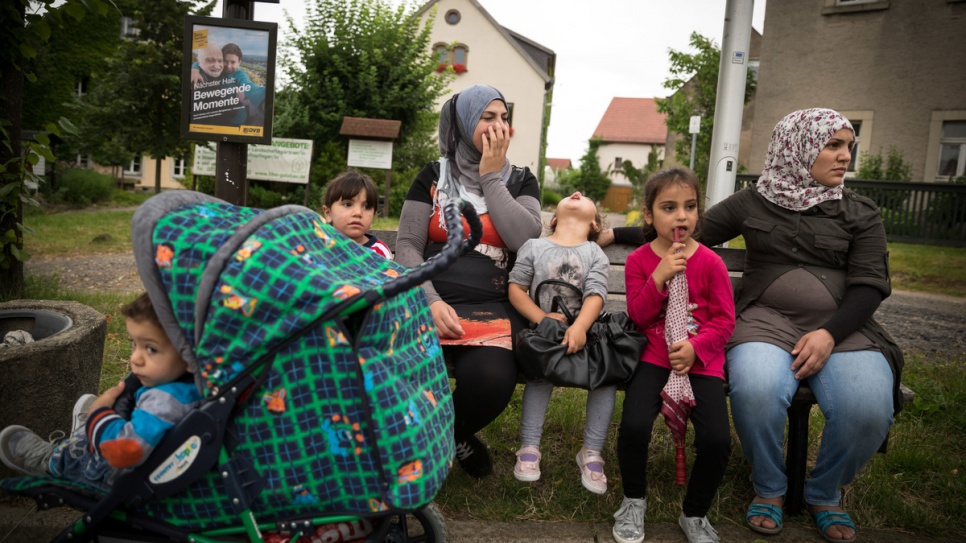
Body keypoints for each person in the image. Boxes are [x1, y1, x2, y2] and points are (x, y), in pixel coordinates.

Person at [698, 109, 902, 543]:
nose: (845, 156)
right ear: (798, 148)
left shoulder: (860, 212)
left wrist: (830, 334)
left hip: (843, 330)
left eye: (849, 145)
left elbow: (869, 287)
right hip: (764, 322)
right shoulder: (753, 199)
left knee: (868, 407)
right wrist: (609, 235)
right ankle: (769, 488)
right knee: (755, 388)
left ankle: (825, 492)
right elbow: (686, 231)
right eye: (833, 145)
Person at [395, 84, 542, 478]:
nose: (500, 127)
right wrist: (429, 298)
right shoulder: (431, 176)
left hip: (491, 306)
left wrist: (492, 178)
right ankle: (436, 441)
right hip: (429, 298)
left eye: (505, 118)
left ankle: (442, 436)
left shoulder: (522, 180)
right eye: (488, 117)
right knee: (397, 367)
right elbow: (407, 245)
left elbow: (525, 240)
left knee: (492, 381)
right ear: (461, 125)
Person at [612, 168, 735, 543]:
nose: (681, 216)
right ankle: (633, 500)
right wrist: (659, 277)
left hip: (703, 361)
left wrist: (696, 348)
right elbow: (639, 315)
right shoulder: (639, 261)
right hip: (654, 356)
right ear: (649, 215)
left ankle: (694, 513)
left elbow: (725, 321)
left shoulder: (711, 263)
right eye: (669, 207)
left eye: (690, 206)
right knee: (633, 426)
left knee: (717, 440)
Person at [0, 293, 202, 491]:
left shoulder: (163, 402)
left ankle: (51, 461)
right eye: (134, 343)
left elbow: (125, 451)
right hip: (157, 455)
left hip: (115, 475)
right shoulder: (194, 385)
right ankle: (88, 431)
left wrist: (98, 413)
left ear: (190, 357)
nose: (135, 359)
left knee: (80, 450)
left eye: (151, 349)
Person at [507, 192, 612, 494]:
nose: (577, 193)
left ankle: (591, 452)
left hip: (585, 333)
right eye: (569, 195)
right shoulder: (534, 247)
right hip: (545, 335)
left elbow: (595, 294)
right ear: (553, 219)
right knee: (541, 374)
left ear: (593, 223)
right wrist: (543, 319)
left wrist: (579, 327)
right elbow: (516, 289)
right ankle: (529, 447)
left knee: (605, 377)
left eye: (584, 197)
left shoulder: (595, 253)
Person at [322, 170, 392, 259]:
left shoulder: (379, 253)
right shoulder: (317, 247)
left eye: (366, 207)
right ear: (328, 213)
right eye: (347, 204)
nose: (358, 213)